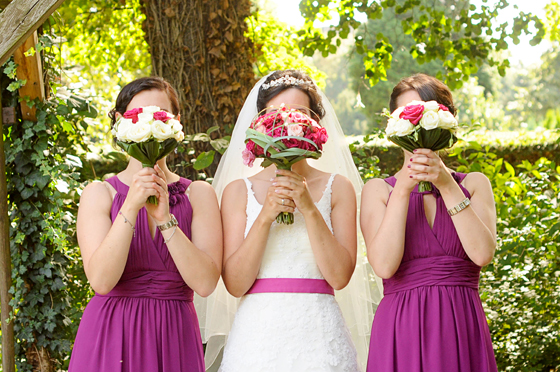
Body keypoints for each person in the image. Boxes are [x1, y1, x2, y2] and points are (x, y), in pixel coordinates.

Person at [207, 70, 380, 372]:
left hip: (320, 336)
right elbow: (234, 284)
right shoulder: (237, 191)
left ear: (314, 124)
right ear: (259, 123)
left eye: (299, 113)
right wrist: (265, 216)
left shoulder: (338, 187)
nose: (287, 122)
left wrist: (309, 208)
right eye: (275, 113)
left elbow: (340, 276)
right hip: (257, 339)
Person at [69, 77, 222, 372]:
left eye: (160, 115)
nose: (149, 123)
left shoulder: (199, 194)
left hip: (173, 336)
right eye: (138, 115)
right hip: (111, 334)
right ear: (118, 121)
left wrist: (165, 220)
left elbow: (205, 284)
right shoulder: (99, 194)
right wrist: (131, 205)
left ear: (176, 124)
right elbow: (101, 281)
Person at [361, 73, 498, 372]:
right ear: (394, 126)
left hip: (461, 324)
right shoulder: (378, 190)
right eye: (408, 115)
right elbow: (384, 266)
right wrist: (402, 190)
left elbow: (482, 254)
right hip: (401, 328)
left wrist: (446, 184)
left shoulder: (474, 184)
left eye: (427, 113)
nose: (417, 125)